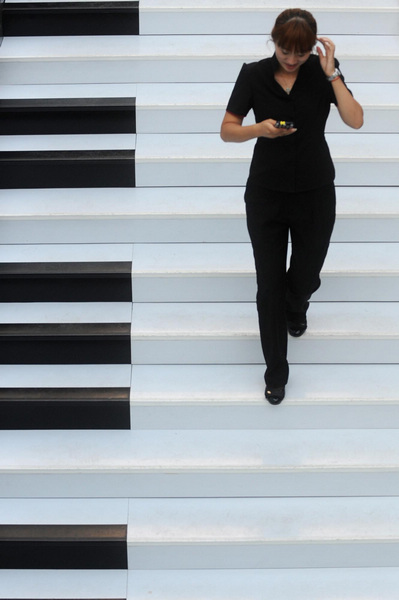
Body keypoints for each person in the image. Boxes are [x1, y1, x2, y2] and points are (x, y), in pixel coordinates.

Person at [220, 8, 363, 405]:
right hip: (266, 194)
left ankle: (297, 303)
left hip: (316, 191)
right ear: (274, 41)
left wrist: (332, 72)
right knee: (269, 286)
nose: (291, 59)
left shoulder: (322, 73)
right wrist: (258, 129)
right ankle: (276, 373)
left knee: (305, 272)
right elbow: (227, 131)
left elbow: (356, 120)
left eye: (300, 53)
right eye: (285, 50)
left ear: (312, 47)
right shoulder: (253, 74)